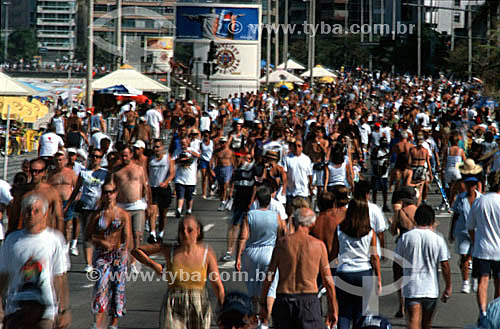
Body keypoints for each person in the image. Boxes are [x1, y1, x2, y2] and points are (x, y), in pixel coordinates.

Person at [132, 216, 225, 329]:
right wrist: (154, 265)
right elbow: (137, 251)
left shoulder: (207, 254)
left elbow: (217, 285)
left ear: (198, 231)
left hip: (199, 304)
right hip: (174, 304)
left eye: (189, 230)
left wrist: (223, 309)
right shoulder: (170, 250)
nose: (185, 233)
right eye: (182, 230)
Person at [0, 193, 71, 329]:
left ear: (44, 214)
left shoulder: (54, 239)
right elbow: (3, 275)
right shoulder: (12, 240)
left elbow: (60, 277)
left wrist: (64, 309)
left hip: (45, 310)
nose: (31, 214)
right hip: (16, 308)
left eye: (36, 210)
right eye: (27, 210)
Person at [261, 208, 338, 329]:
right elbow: (328, 282)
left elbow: (270, 275)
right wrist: (333, 309)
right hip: (308, 299)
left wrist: (263, 303)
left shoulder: (282, 244)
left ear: (294, 222)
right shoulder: (318, 245)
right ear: (312, 224)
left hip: (284, 299)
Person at [235, 186, 286, 327]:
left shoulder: (249, 215)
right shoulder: (276, 216)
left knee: (253, 289)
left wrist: (238, 257)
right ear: (270, 200)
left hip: (251, 254)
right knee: (270, 289)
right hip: (269, 254)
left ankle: (256, 317)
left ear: (256, 199)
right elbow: (283, 235)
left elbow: (243, 238)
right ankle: (264, 322)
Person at [395, 204, 452, 329]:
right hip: (431, 289)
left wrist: (399, 284)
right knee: (427, 324)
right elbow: (445, 264)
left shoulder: (405, 237)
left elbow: (397, 263)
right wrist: (448, 286)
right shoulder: (437, 238)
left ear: (415, 219)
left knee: (413, 320)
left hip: (412, 287)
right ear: (432, 220)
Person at [86, 180, 132, 329]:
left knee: (118, 287)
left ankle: (113, 322)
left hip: (119, 254)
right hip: (102, 255)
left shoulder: (123, 214)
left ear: (116, 193)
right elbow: (88, 236)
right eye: (105, 192)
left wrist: (126, 255)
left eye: (111, 192)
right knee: (101, 286)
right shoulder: (97, 214)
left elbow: (127, 237)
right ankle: (98, 322)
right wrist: (101, 241)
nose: (108, 195)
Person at [332, 198, 382, 329]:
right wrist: (378, 279)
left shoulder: (340, 228)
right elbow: (374, 256)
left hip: (344, 272)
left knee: (344, 312)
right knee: (363, 314)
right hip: (364, 271)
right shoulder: (369, 232)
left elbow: (334, 253)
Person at [65, 149, 109, 272]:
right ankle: (89, 263)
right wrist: (68, 204)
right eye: (93, 156)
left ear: (101, 159)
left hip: (99, 209)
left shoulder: (105, 173)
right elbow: (77, 189)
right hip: (86, 207)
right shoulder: (84, 173)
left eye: (98, 157)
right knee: (87, 235)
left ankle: (102, 260)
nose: (95, 159)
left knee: (100, 235)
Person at [467, 171, 500, 328]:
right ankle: (497, 312)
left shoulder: (480, 201)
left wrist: (475, 242)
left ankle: (483, 312)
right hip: (499, 249)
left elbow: (470, 226)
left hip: (482, 248)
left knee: (483, 281)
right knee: (499, 283)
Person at [113, 145, 151, 273]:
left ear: (131, 155)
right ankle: (126, 259)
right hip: (122, 207)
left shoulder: (139, 169)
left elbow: (146, 187)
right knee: (124, 236)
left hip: (137, 205)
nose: (124, 158)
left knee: (137, 234)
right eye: (122, 155)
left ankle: (136, 260)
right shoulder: (116, 171)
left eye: (126, 155)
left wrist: (149, 205)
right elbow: (111, 188)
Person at [8, 158, 64, 235]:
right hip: (26, 235)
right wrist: (10, 234)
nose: (34, 174)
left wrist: (60, 237)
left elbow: (58, 217)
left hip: (46, 236)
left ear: (44, 172)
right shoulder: (21, 191)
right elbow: (14, 216)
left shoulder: (52, 192)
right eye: (32, 171)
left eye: (38, 171)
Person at [221, 152, 257, 262]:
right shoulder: (236, 170)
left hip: (248, 200)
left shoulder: (252, 168)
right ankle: (229, 251)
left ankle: (245, 251)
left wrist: (251, 201)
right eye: (235, 157)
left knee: (248, 227)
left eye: (239, 157)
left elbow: (255, 186)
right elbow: (233, 183)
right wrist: (230, 195)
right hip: (238, 200)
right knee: (234, 225)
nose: (237, 159)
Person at [449, 176, 481, 295]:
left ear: (476, 185)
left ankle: (475, 278)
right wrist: (451, 232)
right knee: (464, 257)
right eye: (468, 184)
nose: (470, 187)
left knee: (474, 257)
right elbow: (455, 215)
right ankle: (465, 281)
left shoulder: (481, 199)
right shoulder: (461, 198)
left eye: (472, 184)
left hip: (478, 232)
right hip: (462, 231)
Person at [389, 186, 417, 318]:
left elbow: (393, 231)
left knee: (399, 275)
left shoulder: (400, 212)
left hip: (403, 243)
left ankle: (402, 305)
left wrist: (392, 223)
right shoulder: (419, 211)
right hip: (417, 245)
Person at [48, 150, 78, 248]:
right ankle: (55, 245)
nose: (58, 162)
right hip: (55, 202)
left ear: (65, 161)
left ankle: (66, 246)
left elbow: (77, 187)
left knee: (67, 226)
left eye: (60, 160)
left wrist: (75, 200)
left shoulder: (71, 173)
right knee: (54, 225)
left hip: (67, 202)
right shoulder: (51, 174)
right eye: (56, 160)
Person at [148, 139, 175, 243]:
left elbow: (172, 173)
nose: (156, 149)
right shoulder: (150, 159)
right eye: (154, 147)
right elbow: (146, 172)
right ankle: (152, 233)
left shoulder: (168, 159)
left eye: (158, 147)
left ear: (162, 147)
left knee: (163, 214)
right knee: (152, 212)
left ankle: (161, 232)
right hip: (153, 188)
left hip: (163, 188)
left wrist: (166, 182)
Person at [283, 140, 312, 215]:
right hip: (291, 192)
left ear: (302, 148)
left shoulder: (306, 159)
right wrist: (284, 188)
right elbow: (284, 174)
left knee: (303, 215)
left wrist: (311, 187)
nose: (297, 148)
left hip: (303, 192)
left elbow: (309, 174)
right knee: (290, 215)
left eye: (299, 146)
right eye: (295, 146)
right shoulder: (287, 158)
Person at [173, 137, 200, 217]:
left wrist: (189, 152)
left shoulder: (192, 149)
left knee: (189, 196)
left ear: (188, 143)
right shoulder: (177, 150)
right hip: (180, 177)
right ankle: (179, 209)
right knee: (180, 194)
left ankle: (189, 210)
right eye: (182, 143)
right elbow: (173, 160)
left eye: (184, 143)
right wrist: (179, 159)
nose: (183, 145)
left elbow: (198, 155)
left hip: (190, 178)